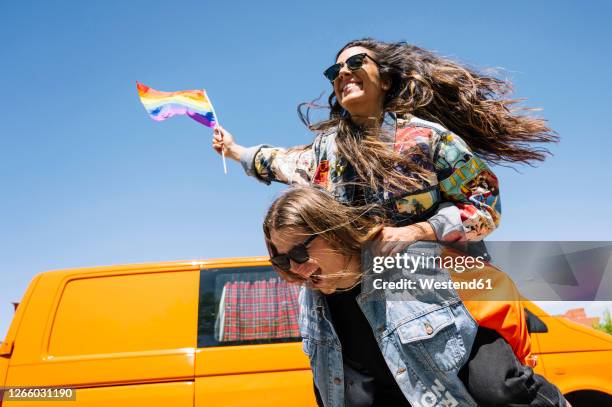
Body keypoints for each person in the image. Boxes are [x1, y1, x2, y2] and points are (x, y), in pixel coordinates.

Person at [212, 38, 556, 254]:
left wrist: (418, 230)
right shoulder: (323, 153)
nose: (344, 72)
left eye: (356, 63)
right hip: (347, 314)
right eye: (335, 69)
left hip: (430, 305)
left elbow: (485, 205)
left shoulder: (429, 140)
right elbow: (276, 161)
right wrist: (233, 149)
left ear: (386, 80)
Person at [263, 186, 568, 407]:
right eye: (281, 261)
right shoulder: (311, 298)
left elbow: (495, 288)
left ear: (331, 231)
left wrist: (522, 357)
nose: (295, 268)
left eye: (300, 252)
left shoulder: (408, 260)